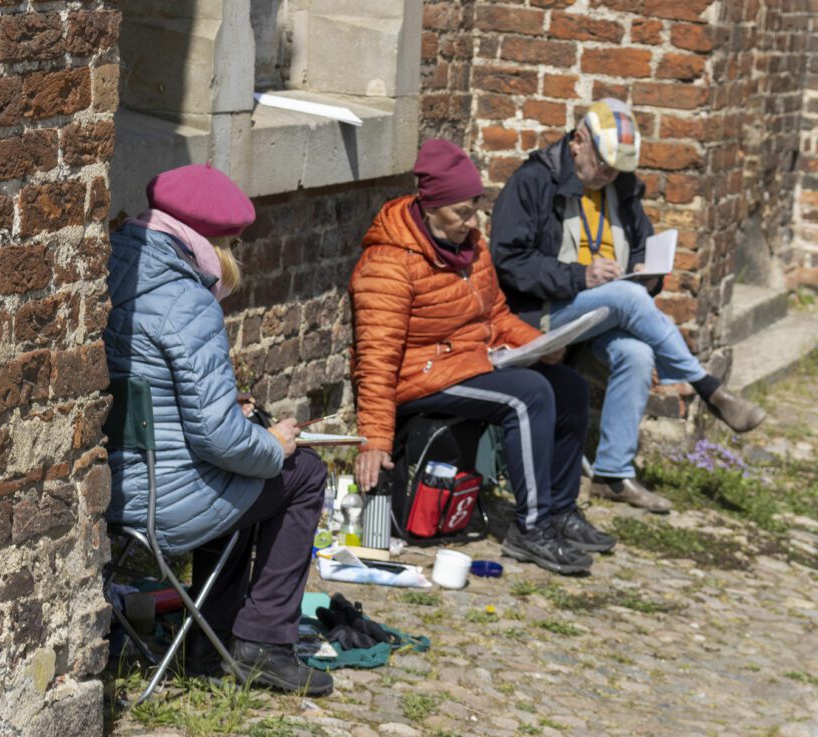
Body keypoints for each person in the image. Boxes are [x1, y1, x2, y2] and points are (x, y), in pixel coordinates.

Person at [104, 163, 332, 696]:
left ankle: (211, 642)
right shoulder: (188, 301)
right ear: (214, 243)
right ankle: (265, 644)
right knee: (301, 473)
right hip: (160, 501)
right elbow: (219, 440)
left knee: (244, 472)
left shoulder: (113, 267)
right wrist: (271, 443)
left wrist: (228, 408)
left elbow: (154, 395)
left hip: (113, 485)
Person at [350, 139, 612, 576]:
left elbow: (494, 314)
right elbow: (377, 358)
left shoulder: (471, 246)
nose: (471, 222)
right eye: (461, 212)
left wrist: (540, 344)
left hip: (468, 361)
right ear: (429, 206)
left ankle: (562, 509)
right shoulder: (389, 264)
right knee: (527, 395)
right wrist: (373, 439)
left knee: (568, 386)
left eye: (475, 209)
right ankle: (531, 528)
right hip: (420, 375)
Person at [491, 98, 766, 513]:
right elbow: (509, 261)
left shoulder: (619, 185)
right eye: (603, 164)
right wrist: (579, 275)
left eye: (617, 168)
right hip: (540, 316)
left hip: (598, 314)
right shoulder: (533, 181)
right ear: (579, 141)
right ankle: (707, 387)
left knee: (637, 353)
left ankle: (612, 475)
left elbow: (641, 242)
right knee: (626, 295)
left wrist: (647, 272)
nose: (609, 174)